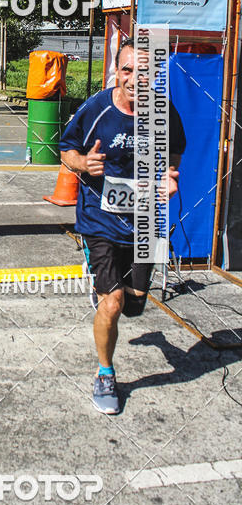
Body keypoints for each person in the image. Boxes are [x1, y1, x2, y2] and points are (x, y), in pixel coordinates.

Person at [59, 37, 186, 415]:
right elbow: (66, 150)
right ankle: (105, 373)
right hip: (99, 220)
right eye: (128, 69)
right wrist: (83, 164)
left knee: (134, 307)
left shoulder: (163, 112)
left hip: (144, 223)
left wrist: (169, 175)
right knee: (112, 305)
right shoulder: (96, 109)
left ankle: (114, 296)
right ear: (117, 70)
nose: (135, 78)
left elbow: (174, 150)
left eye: (144, 71)